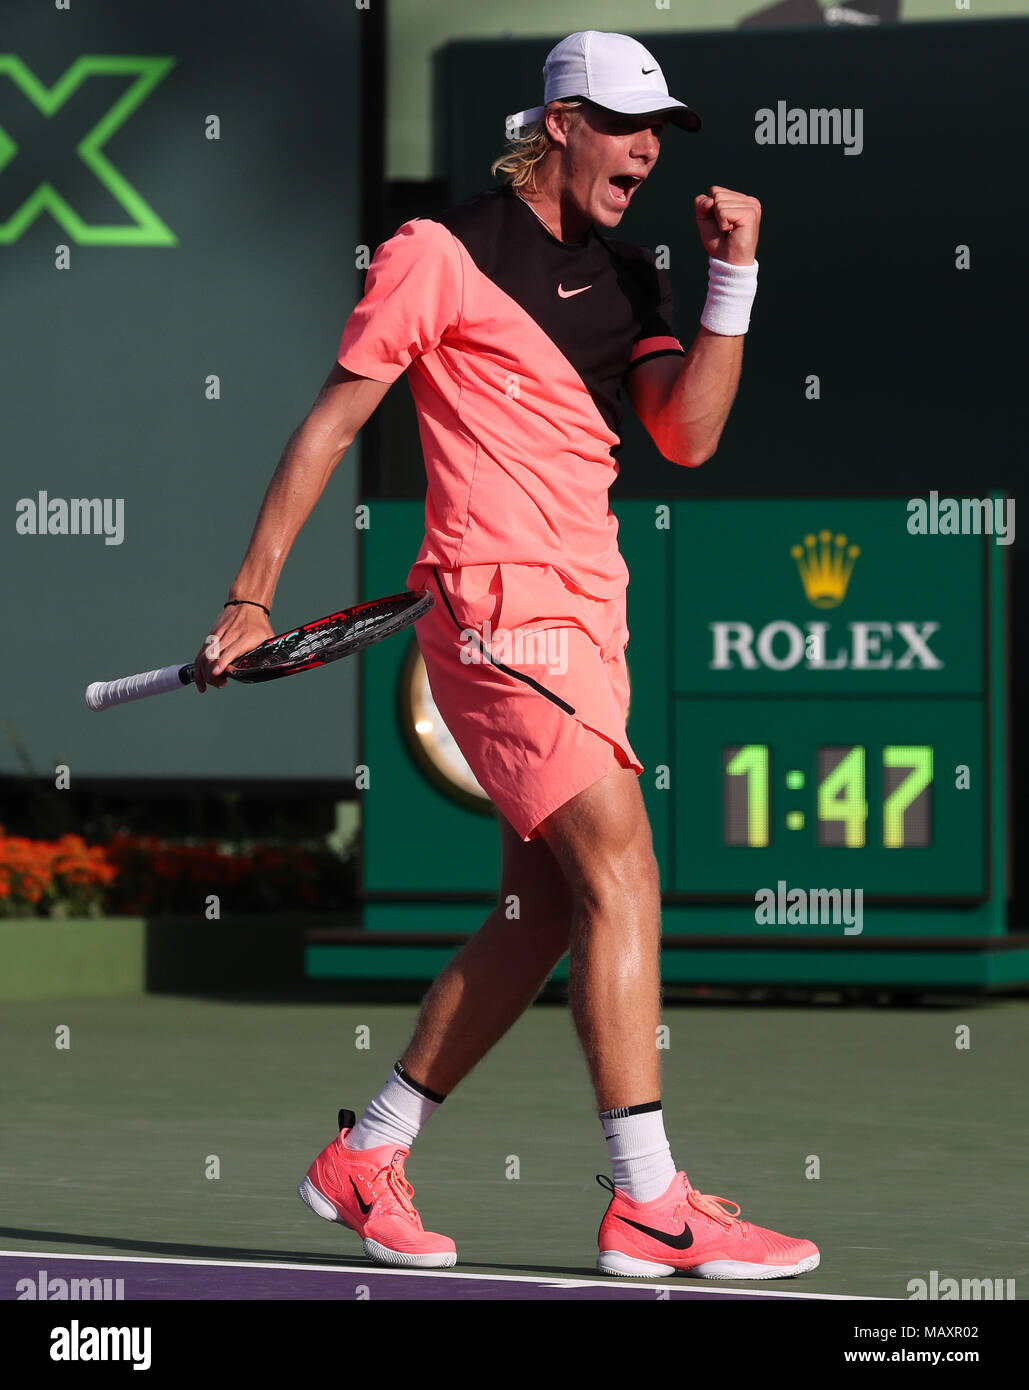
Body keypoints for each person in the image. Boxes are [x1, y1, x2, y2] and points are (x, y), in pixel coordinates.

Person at [194, 30, 819, 1280]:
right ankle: (650, 1199)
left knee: (538, 912)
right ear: (559, 123)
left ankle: (367, 1154)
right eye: (626, 123)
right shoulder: (444, 253)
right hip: (497, 612)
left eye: (660, 130)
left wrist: (730, 281)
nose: (647, 148)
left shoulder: (634, 276)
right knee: (624, 869)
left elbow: (686, 437)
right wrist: (251, 596)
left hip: (590, 615)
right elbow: (330, 425)